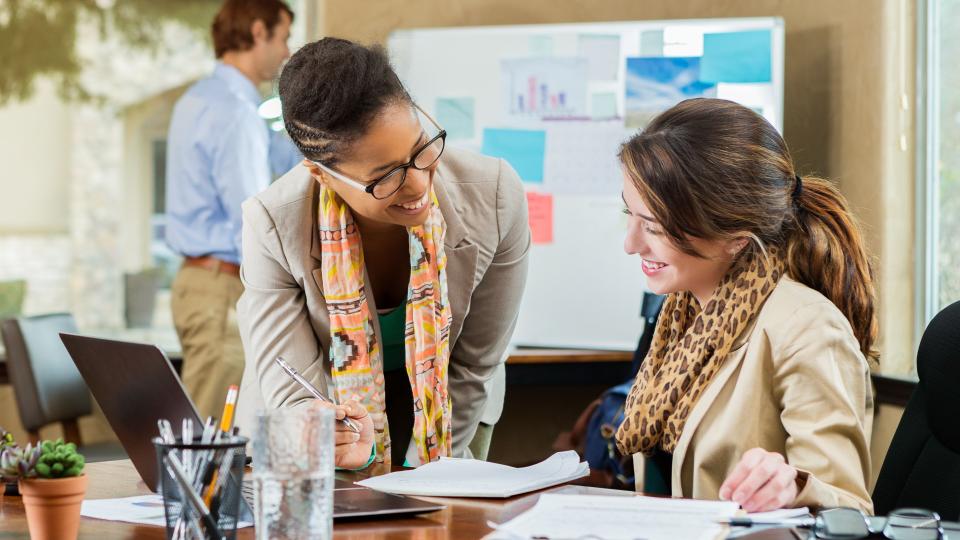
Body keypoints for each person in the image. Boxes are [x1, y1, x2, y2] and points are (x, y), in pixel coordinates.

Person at [233, 38, 530, 468]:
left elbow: (473, 366)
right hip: (326, 407)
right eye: (386, 176)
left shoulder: (496, 197)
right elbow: (295, 392)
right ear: (321, 174)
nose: (418, 184)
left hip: (448, 409)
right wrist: (339, 441)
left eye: (421, 148)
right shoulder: (272, 224)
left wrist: (422, 475)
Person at [615, 98, 877, 513]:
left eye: (654, 226)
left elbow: (849, 509)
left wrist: (793, 487)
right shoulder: (682, 316)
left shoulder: (806, 328)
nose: (630, 244)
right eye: (629, 214)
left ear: (736, 236)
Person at [165, 0, 294, 420]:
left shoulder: (202, 98)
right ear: (258, 33)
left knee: (206, 434)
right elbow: (253, 220)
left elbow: (278, 163)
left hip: (198, 282)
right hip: (220, 288)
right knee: (206, 441)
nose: (288, 52)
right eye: (284, 37)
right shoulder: (235, 113)